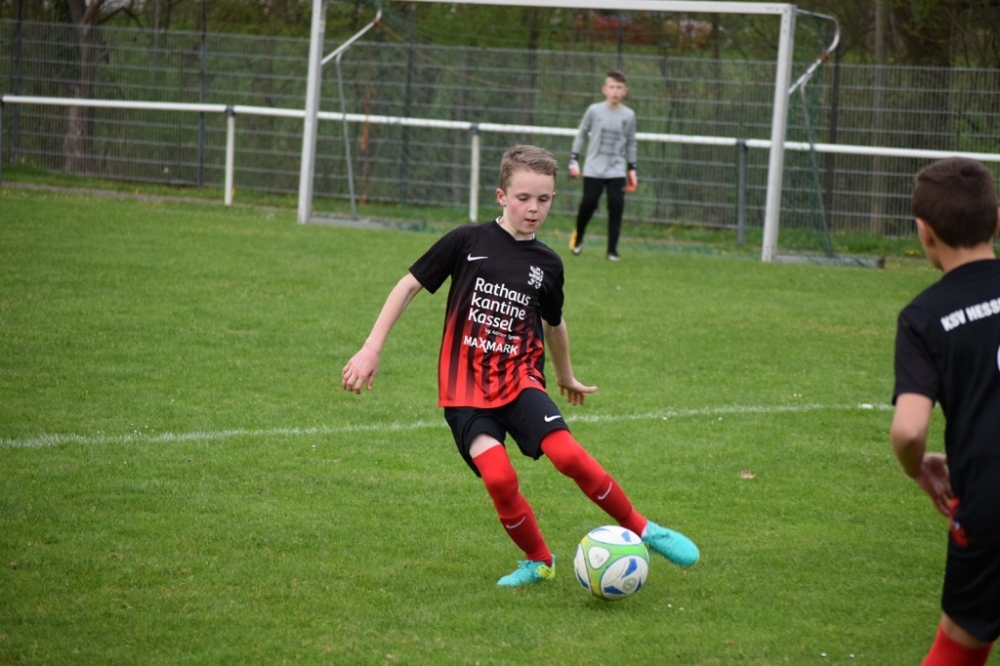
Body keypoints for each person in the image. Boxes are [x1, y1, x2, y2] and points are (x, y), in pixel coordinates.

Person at [342, 144, 698, 587]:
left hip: (519, 378)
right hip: (464, 389)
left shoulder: (548, 263)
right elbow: (408, 286)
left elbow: (555, 323)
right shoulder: (466, 241)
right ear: (501, 196)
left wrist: (565, 375)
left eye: (544, 199)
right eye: (523, 198)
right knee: (499, 478)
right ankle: (539, 560)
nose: (534, 208)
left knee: (568, 455)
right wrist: (371, 347)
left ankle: (644, 529)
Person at [890, 156, 1000, 665]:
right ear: (996, 220)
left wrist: (919, 469)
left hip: (988, 502)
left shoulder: (924, 317)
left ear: (924, 232)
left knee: (961, 641)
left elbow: (910, 430)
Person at [567, 69, 638, 262]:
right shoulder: (594, 110)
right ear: (604, 89)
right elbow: (582, 133)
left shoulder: (629, 115)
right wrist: (574, 158)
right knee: (588, 204)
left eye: (619, 87)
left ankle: (612, 251)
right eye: (612, 87)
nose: (615, 91)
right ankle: (579, 237)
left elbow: (631, 142)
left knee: (616, 206)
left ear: (625, 91)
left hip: (616, 169)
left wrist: (632, 167)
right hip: (594, 168)